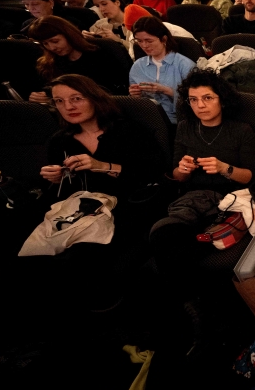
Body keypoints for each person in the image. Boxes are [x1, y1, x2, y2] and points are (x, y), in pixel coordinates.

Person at [148, 69, 255, 347]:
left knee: (167, 242)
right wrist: (183, 169)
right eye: (194, 100)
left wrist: (225, 168)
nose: (200, 106)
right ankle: (200, 307)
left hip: (229, 199)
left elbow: (252, 176)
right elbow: (177, 175)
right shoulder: (186, 127)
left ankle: (192, 311)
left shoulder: (241, 130)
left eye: (207, 98)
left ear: (221, 99)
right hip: (193, 197)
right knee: (165, 235)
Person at [36, 74, 163, 308]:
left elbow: (153, 174)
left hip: (129, 206)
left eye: (76, 98)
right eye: (60, 101)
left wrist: (103, 166)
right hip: (82, 211)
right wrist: (55, 178)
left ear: (94, 98)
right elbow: (61, 193)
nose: (69, 107)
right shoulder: (60, 141)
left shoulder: (128, 130)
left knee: (84, 258)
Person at [28, 16, 130, 99]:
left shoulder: (100, 55)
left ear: (69, 35)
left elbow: (111, 90)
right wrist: (43, 96)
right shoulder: (50, 62)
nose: (52, 47)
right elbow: (49, 86)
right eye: (45, 44)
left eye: (55, 41)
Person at [127, 17, 195, 123]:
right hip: (147, 119)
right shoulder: (138, 66)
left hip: (178, 121)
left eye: (149, 41)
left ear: (164, 39)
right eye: (139, 41)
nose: (144, 46)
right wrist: (135, 95)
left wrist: (166, 90)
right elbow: (137, 103)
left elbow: (196, 100)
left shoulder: (185, 65)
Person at [20, 0, 97, 32]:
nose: (30, 8)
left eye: (35, 4)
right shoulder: (27, 25)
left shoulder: (70, 23)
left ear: (50, 3)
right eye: (26, 4)